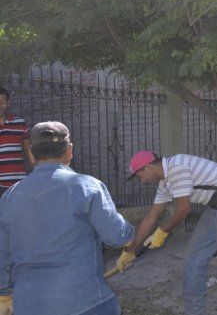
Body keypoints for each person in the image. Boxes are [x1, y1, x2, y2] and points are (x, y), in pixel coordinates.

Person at [0, 121, 134, 315]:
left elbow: (2, 255)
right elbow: (116, 236)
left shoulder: (9, 197)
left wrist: (4, 292)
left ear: (31, 154)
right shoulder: (87, 187)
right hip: (84, 301)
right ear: (69, 151)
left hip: (28, 304)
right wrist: (129, 231)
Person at [118, 151, 217, 315]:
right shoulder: (165, 184)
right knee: (194, 257)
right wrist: (130, 249)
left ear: (148, 167)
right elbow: (150, 218)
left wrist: (163, 231)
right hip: (214, 205)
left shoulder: (176, 168)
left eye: (141, 176)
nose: (143, 181)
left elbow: (183, 208)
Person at [0, 87, 32, 198]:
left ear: (8, 102)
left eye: (3, 102)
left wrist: (37, 174)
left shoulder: (20, 123)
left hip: (19, 182)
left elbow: (29, 151)